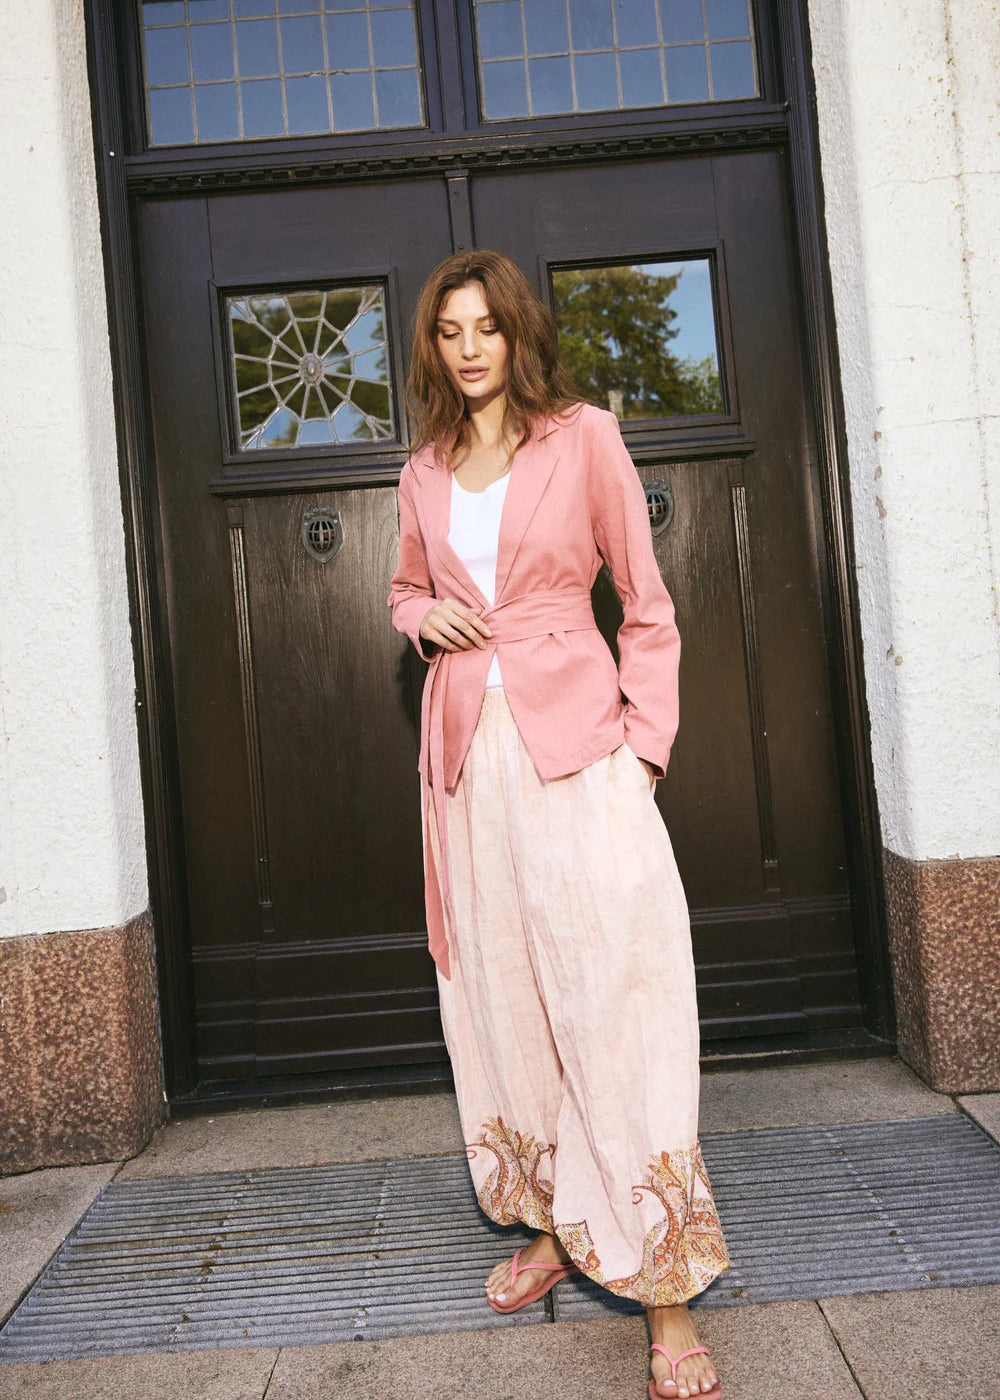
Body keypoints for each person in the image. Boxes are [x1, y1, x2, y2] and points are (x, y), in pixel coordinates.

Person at [388, 250, 730, 1400]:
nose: (468, 348)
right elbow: (402, 587)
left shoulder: (584, 438)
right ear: (433, 347)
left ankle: (664, 1285)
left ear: (515, 332)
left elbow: (646, 603)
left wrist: (642, 750)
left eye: (485, 326)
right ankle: (555, 1219)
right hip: (464, 764)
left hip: (577, 750)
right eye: (449, 331)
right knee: (506, 997)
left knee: (609, 995)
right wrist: (421, 615)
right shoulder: (423, 469)